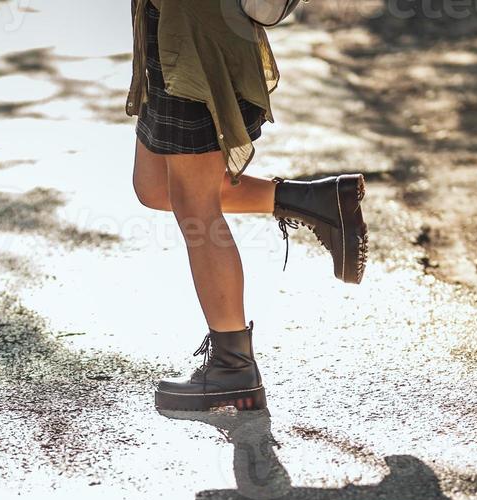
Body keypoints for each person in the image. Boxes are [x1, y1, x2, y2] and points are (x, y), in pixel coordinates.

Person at [129, 0, 369, 411]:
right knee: (154, 186)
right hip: (167, 29)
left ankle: (232, 365)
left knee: (195, 205)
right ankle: (315, 201)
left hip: (195, 38)